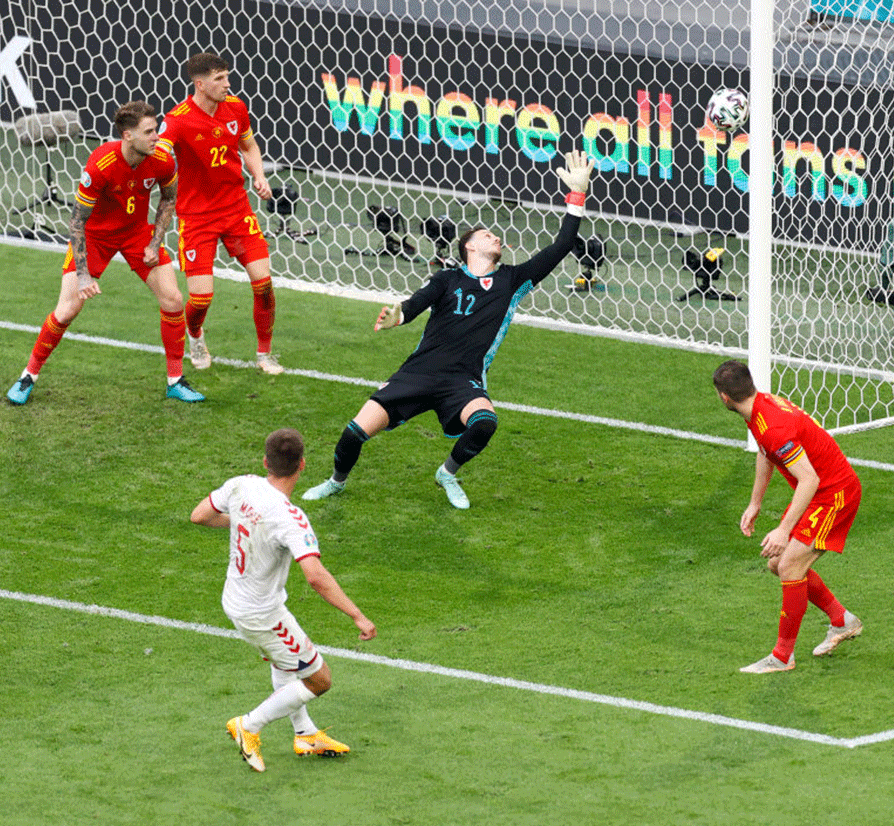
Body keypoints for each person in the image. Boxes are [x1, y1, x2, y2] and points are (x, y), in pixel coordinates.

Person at [301, 150, 595, 509]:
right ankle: (336, 482)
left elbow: (562, 246)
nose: (496, 238)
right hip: (419, 372)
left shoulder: (513, 280)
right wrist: (401, 315)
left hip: (463, 380)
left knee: (485, 422)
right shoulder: (448, 278)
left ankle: (447, 473)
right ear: (470, 245)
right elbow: (418, 301)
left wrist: (577, 196)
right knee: (354, 433)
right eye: (488, 234)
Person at [190, 428, 376, 772]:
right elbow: (316, 577)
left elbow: (199, 515)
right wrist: (357, 615)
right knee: (319, 680)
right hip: (261, 613)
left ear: (265, 462)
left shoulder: (241, 484)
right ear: (302, 465)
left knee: (285, 661)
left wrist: (244, 522)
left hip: (237, 598)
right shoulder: (291, 519)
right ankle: (248, 725)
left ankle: (305, 734)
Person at [6, 101, 204, 405]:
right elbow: (77, 221)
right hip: (95, 237)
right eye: (149, 132)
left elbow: (168, 199)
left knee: (174, 299)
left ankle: (175, 380)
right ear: (127, 136)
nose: (157, 136)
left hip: (137, 233)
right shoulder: (101, 164)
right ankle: (27, 376)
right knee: (68, 309)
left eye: (156, 130)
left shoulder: (163, 158)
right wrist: (84, 274)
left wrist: (154, 241)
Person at [713, 359, 864, 674]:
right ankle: (842, 620)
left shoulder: (774, 427)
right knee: (776, 565)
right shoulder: (760, 407)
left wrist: (783, 530)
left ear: (724, 397)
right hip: (822, 491)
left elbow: (809, 479)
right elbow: (765, 452)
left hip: (833, 494)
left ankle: (782, 657)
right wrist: (755, 503)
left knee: (789, 564)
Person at [156, 52, 284, 376]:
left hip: (236, 209)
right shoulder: (177, 119)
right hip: (197, 218)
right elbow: (158, 153)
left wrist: (259, 176)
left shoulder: (236, 108)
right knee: (200, 299)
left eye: (227, 76)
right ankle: (195, 334)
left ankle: (265, 354)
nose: (227, 84)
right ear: (200, 84)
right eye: (219, 79)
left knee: (263, 283)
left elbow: (249, 146)